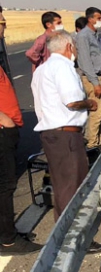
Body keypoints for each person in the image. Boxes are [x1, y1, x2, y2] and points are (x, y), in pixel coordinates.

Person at [31, 31, 95, 219]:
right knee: (73, 187)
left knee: (62, 186)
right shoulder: (63, 67)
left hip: (50, 133)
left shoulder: (42, 69)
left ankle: (63, 234)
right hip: (66, 135)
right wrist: (90, 104)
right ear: (69, 46)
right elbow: (72, 102)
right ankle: (72, 237)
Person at [0, 65, 43, 255]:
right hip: (2, 131)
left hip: (6, 129)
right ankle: (9, 241)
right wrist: (5, 120)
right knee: (5, 185)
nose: (4, 33)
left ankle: (7, 232)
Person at [75, 7, 101, 149]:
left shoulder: (95, 35)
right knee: (96, 112)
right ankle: (92, 143)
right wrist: (95, 83)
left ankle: (97, 139)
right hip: (92, 78)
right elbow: (85, 61)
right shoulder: (84, 36)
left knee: (99, 112)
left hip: (100, 77)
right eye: (98, 18)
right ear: (90, 19)